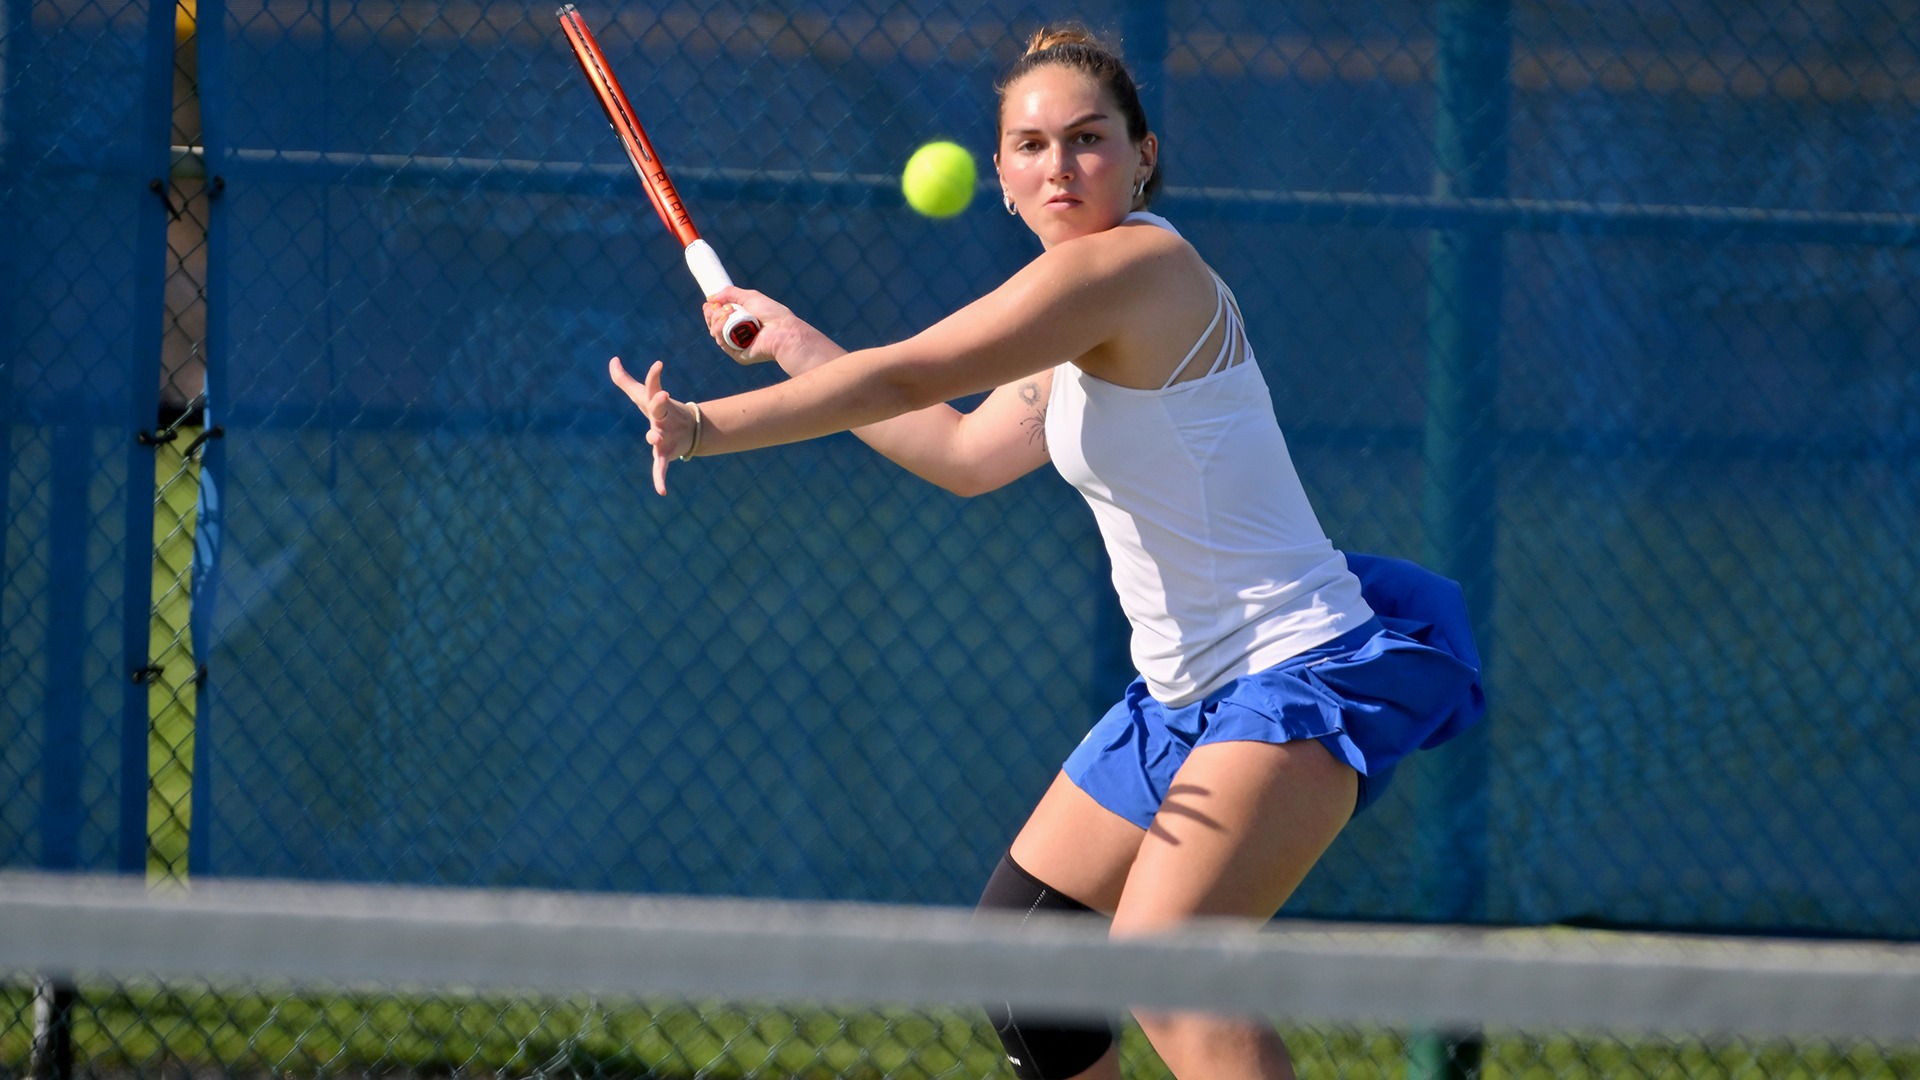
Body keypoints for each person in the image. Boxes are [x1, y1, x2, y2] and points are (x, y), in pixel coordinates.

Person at [608, 24, 1485, 1080]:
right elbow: (960, 449)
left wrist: (707, 427)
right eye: (1031, 146)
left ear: (1142, 156)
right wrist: (792, 338)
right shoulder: (1073, 332)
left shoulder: (1139, 267)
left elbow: (901, 375)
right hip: (1181, 695)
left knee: (1167, 968)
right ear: (1001, 177)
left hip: (1296, 668)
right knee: (1031, 968)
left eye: (1087, 140)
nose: (1059, 168)